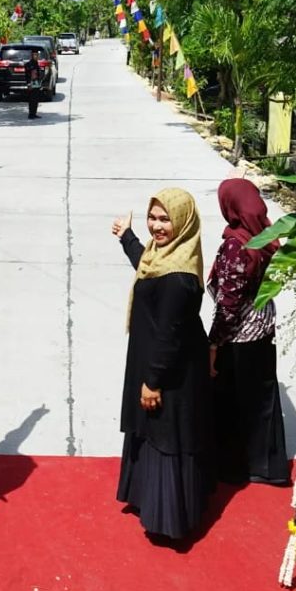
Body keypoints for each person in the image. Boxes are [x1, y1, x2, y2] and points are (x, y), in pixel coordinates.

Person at [110, 188, 214, 541]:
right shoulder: (164, 257)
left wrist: (152, 381)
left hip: (168, 369)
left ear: (183, 222)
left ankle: (168, 517)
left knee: (165, 433)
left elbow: (170, 335)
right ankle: (146, 496)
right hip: (155, 356)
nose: (157, 226)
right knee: (153, 430)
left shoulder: (179, 278)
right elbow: (145, 265)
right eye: (153, 217)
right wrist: (128, 237)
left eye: (165, 219)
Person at [207, 179, 290, 486]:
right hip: (263, 330)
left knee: (233, 402)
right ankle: (268, 466)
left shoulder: (237, 244)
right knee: (263, 401)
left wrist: (213, 342)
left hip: (239, 336)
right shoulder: (264, 237)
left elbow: (229, 303)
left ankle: (236, 467)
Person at [24, 49, 43, 119]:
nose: (36, 56)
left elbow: (39, 75)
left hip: (37, 84)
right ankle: (31, 114)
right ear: (32, 55)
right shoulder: (28, 65)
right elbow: (27, 76)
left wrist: (40, 84)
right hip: (31, 84)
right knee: (31, 99)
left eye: (37, 55)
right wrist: (29, 84)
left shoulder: (36, 64)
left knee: (36, 99)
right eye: (35, 55)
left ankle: (34, 113)